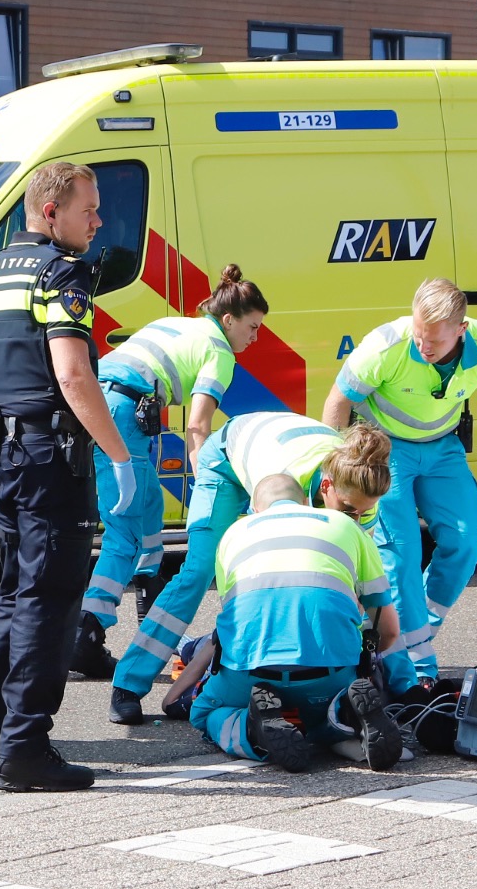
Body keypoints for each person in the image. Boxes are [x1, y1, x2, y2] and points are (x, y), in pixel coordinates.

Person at [0, 161, 139, 792]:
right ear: (51, 211)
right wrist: (119, 456)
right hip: (48, 457)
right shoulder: (63, 272)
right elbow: (74, 376)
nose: (99, 220)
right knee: (50, 602)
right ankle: (25, 746)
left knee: (12, 591)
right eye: (90, 208)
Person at [112, 414, 392, 720]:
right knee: (199, 572)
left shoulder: (360, 488)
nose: (355, 519)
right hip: (227, 460)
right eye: (349, 510)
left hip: (276, 446)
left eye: (362, 514)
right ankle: (128, 684)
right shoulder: (284, 477)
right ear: (326, 486)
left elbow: (360, 583)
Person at [73, 269, 273, 695]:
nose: (255, 338)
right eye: (252, 327)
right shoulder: (220, 351)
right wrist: (207, 484)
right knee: (125, 534)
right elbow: (198, 425)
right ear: (230, 320)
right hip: (122, 415)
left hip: (103, 404)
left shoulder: (182, 323)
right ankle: (85, 636)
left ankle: (150, 623)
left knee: (147, 525)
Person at [322, 278, 477, 690]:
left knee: (468, 543)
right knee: (401, 556)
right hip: (385, 447)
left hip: (441, 446)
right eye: (418, 334)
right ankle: (416, 671)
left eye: (434, 341)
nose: (423, 347)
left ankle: (408, 634)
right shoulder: (386, 347)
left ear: (461, 330)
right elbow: (336, 404)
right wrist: (338, 478)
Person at [186, 473, 404, 772]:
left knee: (204, 712)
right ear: (305, 501)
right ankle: (344, 716)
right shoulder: (346, 526)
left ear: (254, 509)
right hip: (330, 670)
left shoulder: (233, 534)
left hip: (252, 670)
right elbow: (388, 629)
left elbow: (239, 621)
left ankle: (251, 730)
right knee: (326, 702)